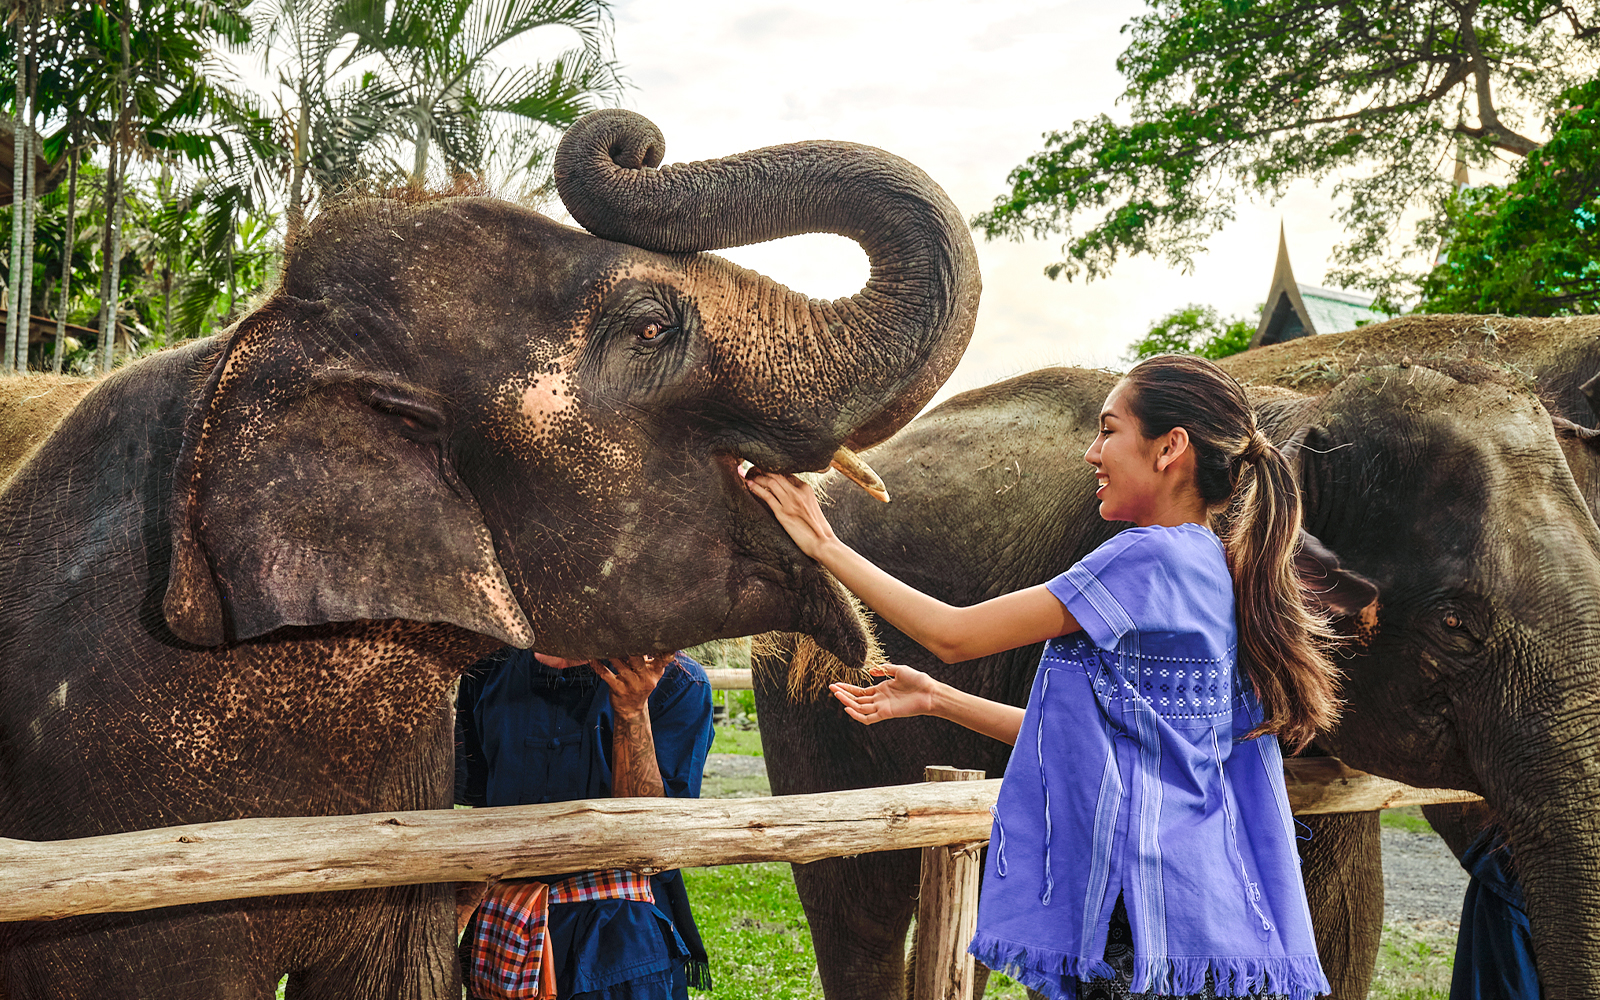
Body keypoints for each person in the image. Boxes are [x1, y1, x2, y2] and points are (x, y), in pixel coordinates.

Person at [745, 354, 1338, 1000]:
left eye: (1109, 430)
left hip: (1127, 924)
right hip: (1192, 926)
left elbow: (954, 632)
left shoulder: (1142, 558)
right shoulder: (1216, 569)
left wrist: (823, 543)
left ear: (1170, 448)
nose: (1091, 453)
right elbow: (1103, 740)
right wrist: (938, 699)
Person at [456, 648, 715, 1000]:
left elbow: (652, 838)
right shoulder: (489, 668)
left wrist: (632, 709)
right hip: (507, 931)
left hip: (621, 946)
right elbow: (482, 808)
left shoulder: (677, 680)